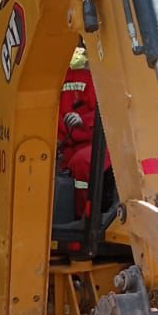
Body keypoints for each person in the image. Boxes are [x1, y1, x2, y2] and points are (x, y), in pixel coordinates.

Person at [57, 54, 110, 217]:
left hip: (100, 141)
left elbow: (106, 112)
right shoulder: (47, 88)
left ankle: (83, 216)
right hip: (67, 144)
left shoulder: (88, 80)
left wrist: (84, 121)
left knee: (82, 162)